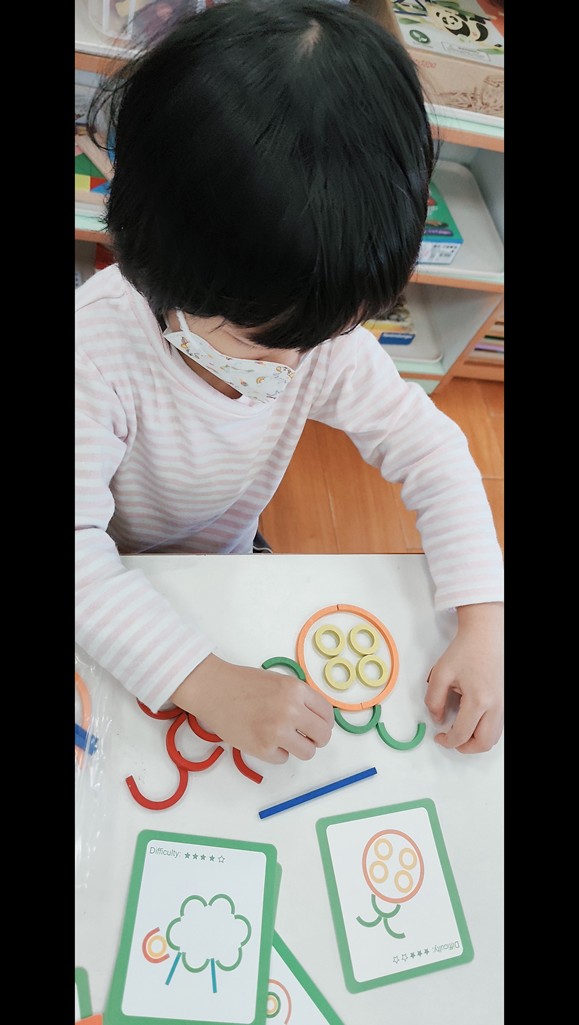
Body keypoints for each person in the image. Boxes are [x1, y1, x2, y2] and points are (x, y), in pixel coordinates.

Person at [76, 0, 504, 766]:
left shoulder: (314, 337)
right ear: (160, 265)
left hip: (226, 559)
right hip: (118, 581)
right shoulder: (96, 352)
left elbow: (431, 451)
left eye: (322, 335)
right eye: (261, 343)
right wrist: (205, 682)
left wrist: (482, 617)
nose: (293, 369)